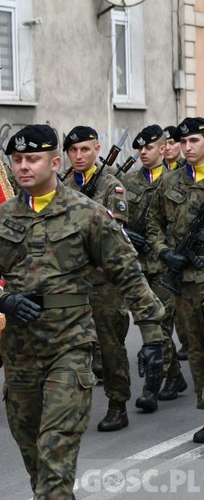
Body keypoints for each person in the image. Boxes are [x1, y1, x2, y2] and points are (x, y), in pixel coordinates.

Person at [0, 125, 164, 498]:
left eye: (33, 159)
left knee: (55, 465)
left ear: (55, 162)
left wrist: (153, 334)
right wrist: (0, 299)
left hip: (69, 349)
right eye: (18, 159)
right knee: (36, 464)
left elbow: (128, 273)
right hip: (20, 353)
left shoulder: (87, 214)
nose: (24, 166)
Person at [62, 126, 140, 430]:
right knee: (70, 346)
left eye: (85, 149)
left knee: (110, 346)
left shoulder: (111, 186)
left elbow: (110, 233)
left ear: (97, 149)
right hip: (69, 281)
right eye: (73, 151)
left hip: (103, 282)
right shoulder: (61, 185)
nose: (79, 156)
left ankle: (117, 404)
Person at [146, 117, 204, 443]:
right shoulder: (171, 183)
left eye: (194, 141)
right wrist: (163, 251)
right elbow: (153, 221)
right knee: (196, 350)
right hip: (184, 279)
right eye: (184, 142)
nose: (188, 147)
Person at [122, 125, 187, 403]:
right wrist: (127, 235)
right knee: (148, 324)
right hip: (138, 267)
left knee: (159, 326)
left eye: (148, 148)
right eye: (140, 149)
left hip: (165, 266)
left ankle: (152, 385)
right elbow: (113, 219)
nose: (143, 153)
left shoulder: (178, 180)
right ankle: (174, 375)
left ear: (163, 149)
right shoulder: (128, 182)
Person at [162, 124, 190, 361]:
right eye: (167, 143)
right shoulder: (166, 178)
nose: (170, 147)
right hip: (171, 255)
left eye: (174, 142)